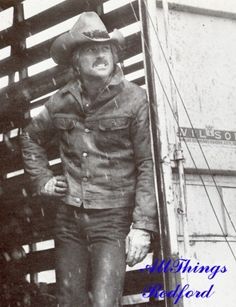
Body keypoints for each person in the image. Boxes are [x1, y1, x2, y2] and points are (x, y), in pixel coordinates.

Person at [21, 11, 158, 307]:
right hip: (69, 219)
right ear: (76, 61)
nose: (101, 55)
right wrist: (42, 179)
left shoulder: (135, 100)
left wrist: (142, 227)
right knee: (70, 301)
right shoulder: (61, 101)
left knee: (105, 303)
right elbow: (30, 137)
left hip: (113, 219)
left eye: (105, 49)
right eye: (92, 50)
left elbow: (148, 164)